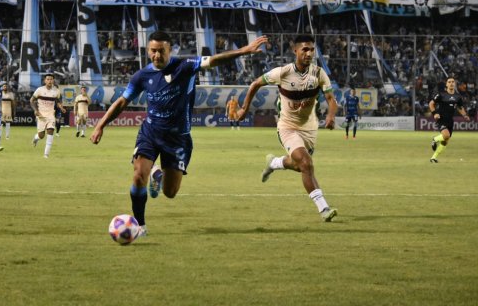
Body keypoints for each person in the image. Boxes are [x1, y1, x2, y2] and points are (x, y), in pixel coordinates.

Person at [90, 31, 267, 237]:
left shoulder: (186, 66)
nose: (157, 56)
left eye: (161, 51)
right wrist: (100, 125)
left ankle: (159, 175)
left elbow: (215, 60)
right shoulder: (141, 76)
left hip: (178, 138)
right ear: (148, 51)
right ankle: (140, 226)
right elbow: (122, 102)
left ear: (170, 50)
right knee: (138, 176)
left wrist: (243, 51)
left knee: (170, 192)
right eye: (153, 51)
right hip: (151, 132)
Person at [236, 35, 339, 222]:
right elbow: (255, 84)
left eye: (311, 50)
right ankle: (324, 208)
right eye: (304, 49)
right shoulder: (282, 73)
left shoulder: (318, 74)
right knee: (306, 163)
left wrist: (331, 116)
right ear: (295, 51)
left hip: (309, 128)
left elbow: (332, 100)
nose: (308, 53)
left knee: (301, 167)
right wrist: (244, 109)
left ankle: (274, 163)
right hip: (287, 127)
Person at [429, 77, 470, 163]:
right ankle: (435, 139)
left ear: (454, 84)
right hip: (441, 119)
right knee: (446, 135)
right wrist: (435, 114)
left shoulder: (458, 96)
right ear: (446, 84)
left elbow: (460, 107)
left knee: (445, 141)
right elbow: (431, 104)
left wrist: (465, 115)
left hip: (450, 121)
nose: (451, 83)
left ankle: (433, 158)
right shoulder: (441, 94)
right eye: (449, 82)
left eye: (452, 82)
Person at [31, 74, 65, 158]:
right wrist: (35, 110)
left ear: (53, 80)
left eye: (51, 79)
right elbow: (31, 100)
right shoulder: (39, 90)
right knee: (41, 135)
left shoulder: (56, 91)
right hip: (41, 115)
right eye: (48, 79)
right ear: (45, 81)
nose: (49, 81)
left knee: (50, 132)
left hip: (50, 115)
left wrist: (61, 107)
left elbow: (58, 101)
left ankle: (46, 154)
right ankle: (36, 138)